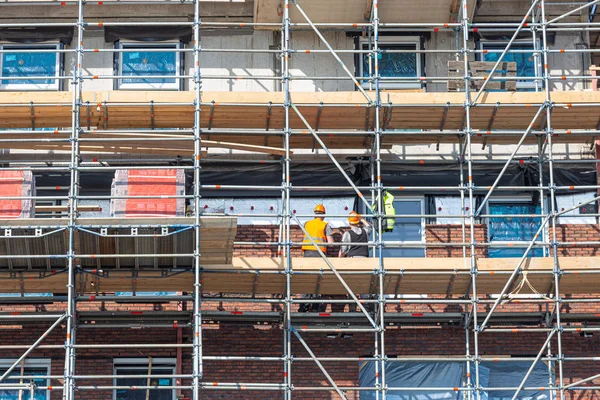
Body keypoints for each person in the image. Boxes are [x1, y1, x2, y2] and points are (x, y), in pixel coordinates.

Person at [298, 204, 334, 312]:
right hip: (319, 255)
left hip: (307, 254)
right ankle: (314, 307)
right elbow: (331, 243)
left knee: (307, 280)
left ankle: (303, 306)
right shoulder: (325, 225)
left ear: (314, 214)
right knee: (318, 280)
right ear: (323, 215)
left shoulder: (307, 224)